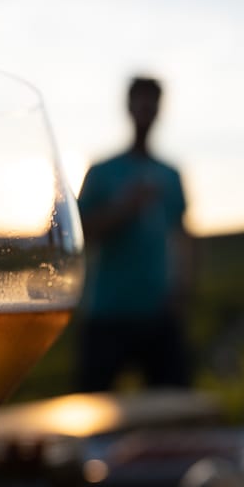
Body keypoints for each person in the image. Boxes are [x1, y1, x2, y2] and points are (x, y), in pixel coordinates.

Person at [73, 76, 194, 391]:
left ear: (159, 110)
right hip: (107, 312)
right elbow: (79, 233)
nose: (146, 108)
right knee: (93, 408)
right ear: (128, 106)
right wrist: (124, 208)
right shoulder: (102, 171)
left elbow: (182, 236)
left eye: (152, 102)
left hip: (160, 313)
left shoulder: (171, 175)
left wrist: (182, 290)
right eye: (140, 101)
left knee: (171, 406)